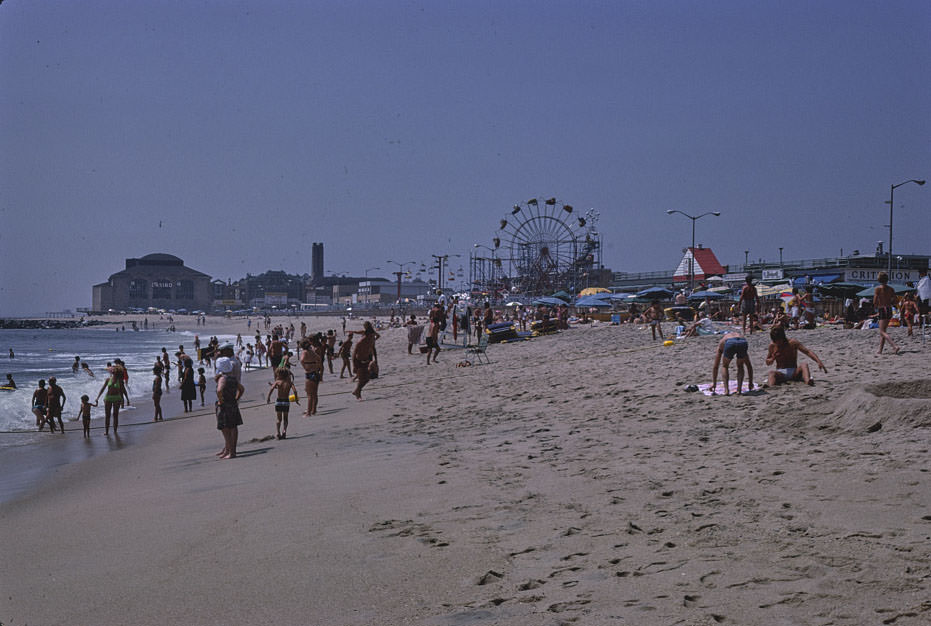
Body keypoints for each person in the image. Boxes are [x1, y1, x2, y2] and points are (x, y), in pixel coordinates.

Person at [214, 358, 243, 459]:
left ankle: (230, 452)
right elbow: (241, 389)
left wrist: (221, 400)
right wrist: (236, 397)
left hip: (225, 405)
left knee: (225, 428)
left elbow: (219, 390)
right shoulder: (232, 378)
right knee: (233, 427)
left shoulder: (223, 378)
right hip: (233, 404)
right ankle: (230, 450)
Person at [95, 364, 129, 435]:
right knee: (107, 415)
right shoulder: (108, 379)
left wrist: (126, 399)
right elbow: (103, 388)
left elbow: (123, 390)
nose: (112, 370)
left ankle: (115, 431)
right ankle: (107, 431)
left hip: (117, 398)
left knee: (115, 415)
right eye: (112, 369)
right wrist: (98, 397)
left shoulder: (120, 380)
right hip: (108, 398)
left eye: (113, 369)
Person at [267, 367, 299, 440]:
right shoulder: (289, 383)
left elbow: (272, 389)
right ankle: (284, 431)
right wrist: (296, 400)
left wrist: (268, 397)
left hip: (279, 401)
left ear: (280, 375)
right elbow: (295, 391)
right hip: (286, 402)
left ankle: (278, 432)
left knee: (278, 419)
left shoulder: (277, 382)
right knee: (285, 418)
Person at [873, 272, 900, 355]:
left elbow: (874, 301)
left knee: (882, 331)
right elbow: (896, 300)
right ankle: (880, 350)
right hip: (889, 309)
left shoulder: (878, 289)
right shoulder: (891, 289)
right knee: (884, 331)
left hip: (882, 309)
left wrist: (877, 306)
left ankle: (894, 346)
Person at [352, 322, 379, 400]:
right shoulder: (361, 342)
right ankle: (358, 394)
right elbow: (354, 353)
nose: (372, 337)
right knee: (361, 379)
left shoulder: (371, 340)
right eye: (371, 336)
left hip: (366, 360)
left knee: (366, 378)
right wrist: (354, 365)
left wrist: (376, 360)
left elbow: (374, 350)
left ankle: (357, 391)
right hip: (358, 361)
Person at [299, 336, 323, 417]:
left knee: (309, 394)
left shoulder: (305, 352)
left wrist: (305, 366)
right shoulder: (312, 351)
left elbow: (302, 360)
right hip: (315, 372)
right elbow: (319, 359)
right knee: (315, 394)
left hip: (309, 373)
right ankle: (314, 410)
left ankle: (308, 412)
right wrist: (317, 366)